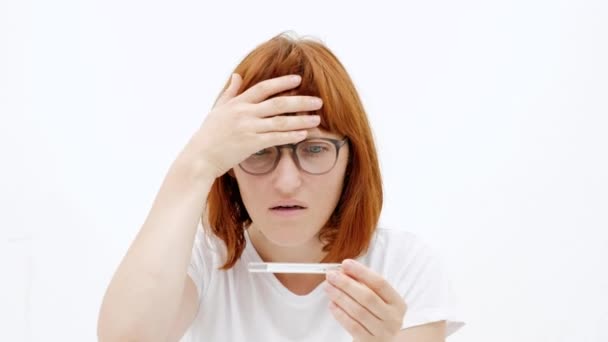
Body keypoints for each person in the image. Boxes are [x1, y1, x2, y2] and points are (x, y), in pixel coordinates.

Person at [97, 32, 465, 342]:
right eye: (259, 151)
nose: (287, 182)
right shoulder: (204, 258)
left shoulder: (403, 265)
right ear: (228, 167)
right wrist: (196, 163)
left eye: (315, 149)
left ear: (352, 161)